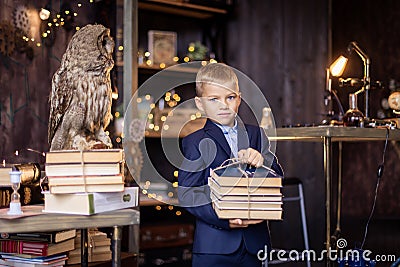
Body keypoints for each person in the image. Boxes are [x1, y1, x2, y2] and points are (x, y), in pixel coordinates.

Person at [178, 62, 284, 267]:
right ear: (200, 104)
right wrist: (223, 218)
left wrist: (262, 164)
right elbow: (187, 192)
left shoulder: (256, 135)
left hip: (255, 246)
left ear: (239, 99)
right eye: (214, 99)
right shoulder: (194, 141)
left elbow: (277, 179)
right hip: (214, 248)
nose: (223, 105)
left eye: (230, 97)